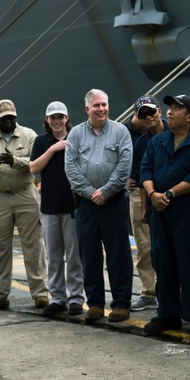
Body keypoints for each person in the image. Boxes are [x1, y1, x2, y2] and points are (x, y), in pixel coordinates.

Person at [140, 94, 190, 337]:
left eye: (176, 109)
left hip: (185, 214)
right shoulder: (156, 142)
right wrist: (152, 194)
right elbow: (146, 169)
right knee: (164, 262)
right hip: (159, 214)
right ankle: (168, 314)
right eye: (169, 108)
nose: (169, 112)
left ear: (189, 117)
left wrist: (168, 194)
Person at [0, 99, 49, 311]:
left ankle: (41, 294)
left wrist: (15, 160)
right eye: (4, 118)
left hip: (26, 194)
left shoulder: (29, 135)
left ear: (16, 117)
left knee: (34, 245)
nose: (8, 121)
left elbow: (38, 161)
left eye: (11, 117)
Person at [64, 89, 134, 324]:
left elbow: (125, 165)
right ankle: (94, 303)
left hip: (114, 202)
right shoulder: (75, 134)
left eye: (104, 104)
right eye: (96, 106)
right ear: (87, 109)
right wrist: (90, 193)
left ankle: (121, 304)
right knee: (89, 254)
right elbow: (70, 168)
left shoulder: (120, 131)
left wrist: (105, 192)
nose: (101, 109)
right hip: (86, 204)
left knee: (118, 254)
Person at [30, 101, 84, 317]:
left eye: (60, 117)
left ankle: (76, 298)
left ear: (67, 118)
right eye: (53, 117)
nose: (57, 121)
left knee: (74, 255)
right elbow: (33, 168)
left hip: (72, 205)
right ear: (47, 120)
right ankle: (58, 298)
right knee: (53, 256)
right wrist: (53, 149)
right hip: (50, 206)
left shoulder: (77, 138)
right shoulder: (42, 142)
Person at [128, 95, 165, 311]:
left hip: (171, 193)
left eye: (151, 112)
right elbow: (138, 175)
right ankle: (149, 293)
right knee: (144, 247)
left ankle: (174, 291)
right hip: (142, 194)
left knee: (173, 245)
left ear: (160, 110)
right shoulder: (138, 141)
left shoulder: (175, 131)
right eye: (143, 114)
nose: (148, 117)